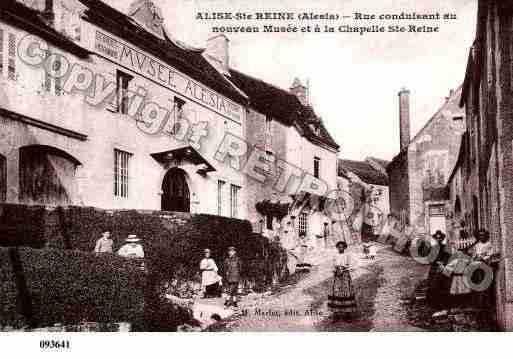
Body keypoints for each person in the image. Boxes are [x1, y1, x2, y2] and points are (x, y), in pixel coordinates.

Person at [328, 241, 357, 318]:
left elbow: (351, 265)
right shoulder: (335, 255)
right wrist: (336, 269)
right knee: (336, 292)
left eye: (342, 247)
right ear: (337, 248)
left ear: (345, 248)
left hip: (345, 275)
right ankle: (336, 314)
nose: (340, 248)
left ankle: (348, 314)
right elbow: (332, 265)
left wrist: (344, 268)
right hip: (337, 276)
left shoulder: (347, 255)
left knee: (346, 292)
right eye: (339, 247)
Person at [426, 230, 452, 309]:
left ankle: (443, 303)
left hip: (443, 267)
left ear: (442, 239)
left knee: (443, 286)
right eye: (437, 238)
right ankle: (433, 303)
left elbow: (448, 256)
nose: (438, 239)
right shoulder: (432, 248)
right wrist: (436, 262)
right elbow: (430, 258)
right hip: (434, 267)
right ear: (435, 239)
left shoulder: (445, 247)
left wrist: (443, 263)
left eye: (440, 238)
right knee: (432, 285)